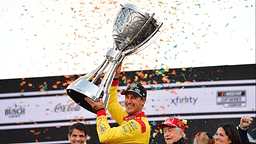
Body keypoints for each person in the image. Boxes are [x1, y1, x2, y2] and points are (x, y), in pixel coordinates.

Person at [85, 64, 150, 143]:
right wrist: (115, 77)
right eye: (127, 97)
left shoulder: (138, 125)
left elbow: (105, 136)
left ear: (143, 101)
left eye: (133, 98)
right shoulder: (129, 118)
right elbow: (111, 104)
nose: (129, 101)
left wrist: (100, 111)